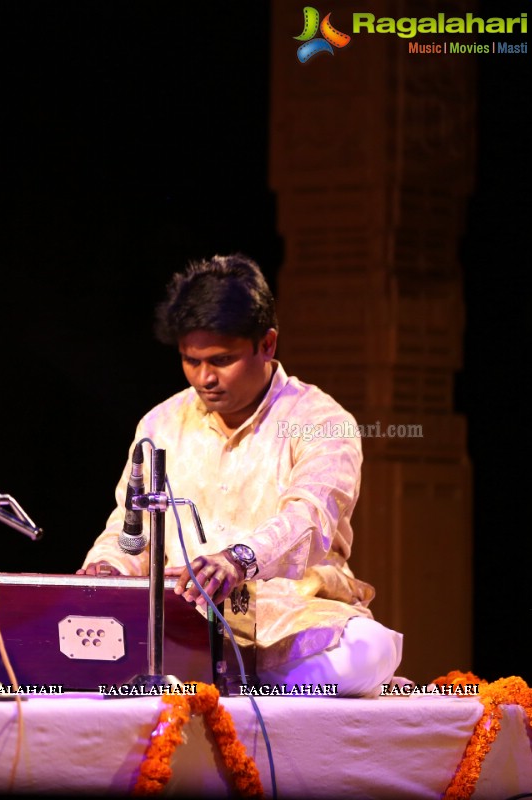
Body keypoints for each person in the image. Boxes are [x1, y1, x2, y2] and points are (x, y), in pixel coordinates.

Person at [79, 254, 401, 697]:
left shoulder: (318, 419)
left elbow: (310, 516)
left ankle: (230, 682)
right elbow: (129, 528)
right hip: (179, 619)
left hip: (284, 619)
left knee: (369, 650)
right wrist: (107, 569)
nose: (204, 378)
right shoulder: (160, 424)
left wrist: (239, 559)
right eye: (191, 361)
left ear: (267, 344)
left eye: (222, 359)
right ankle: (224, 681)